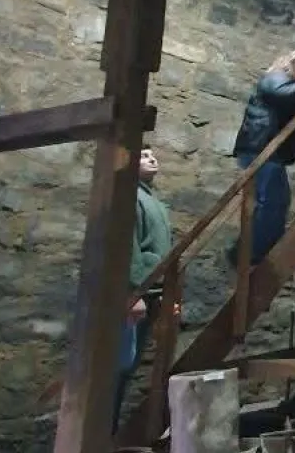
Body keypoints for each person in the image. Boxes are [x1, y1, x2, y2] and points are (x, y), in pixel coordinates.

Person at [228, 48, 295, 268]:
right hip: (262, 150)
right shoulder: (275, 78)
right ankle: (249, 254)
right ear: (291, 64)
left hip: (268, 152)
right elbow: (280, 93)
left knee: (276, 202)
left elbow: (289, 109)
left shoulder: (291, 87)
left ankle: (256, 252)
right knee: (272, 203)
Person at [114, 146, 173, 433]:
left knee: (128, 366)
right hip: (138, 292)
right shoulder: (129, 196)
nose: (152, 159)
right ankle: (101, 433)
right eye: (143, 156)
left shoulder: (153, 202)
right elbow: (128, 245)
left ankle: (107, 433)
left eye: (152, 155)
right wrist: (132, 293)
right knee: (120, 367)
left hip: (151, 290)